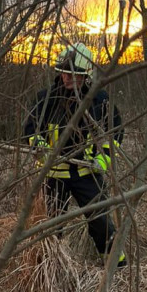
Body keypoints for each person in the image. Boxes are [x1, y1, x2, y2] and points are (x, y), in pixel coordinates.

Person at [23, 42, 126, 266]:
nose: (67, 78)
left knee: (100, 220)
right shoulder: (45, 99)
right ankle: (51, 267)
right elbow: (30, 129)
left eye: (73, 74)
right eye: (63, 73)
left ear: (87, 75)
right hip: (53, 175)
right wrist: (38, 146)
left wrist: (103, 160)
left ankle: (115, 265)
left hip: (86, 173)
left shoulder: (100, 101)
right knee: (51, 226)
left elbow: (115, 134)